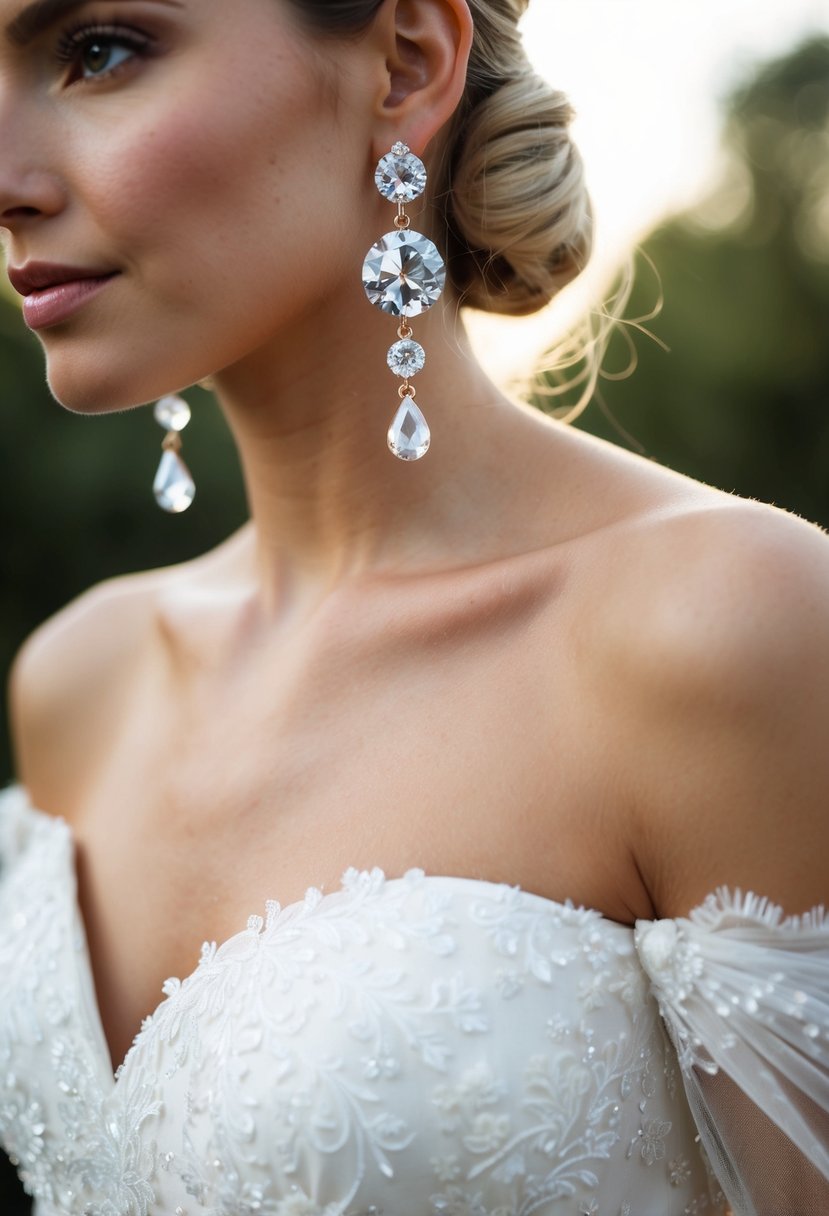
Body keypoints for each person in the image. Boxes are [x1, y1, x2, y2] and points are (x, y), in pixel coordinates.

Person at [0, 1, 827, 1213]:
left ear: (406, 63)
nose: (8, 179)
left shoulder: (724, 626)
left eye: (97, 51)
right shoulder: (81, 679)